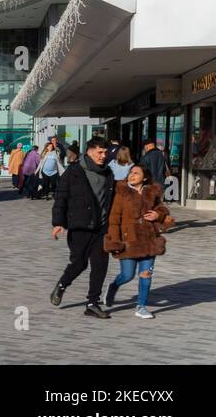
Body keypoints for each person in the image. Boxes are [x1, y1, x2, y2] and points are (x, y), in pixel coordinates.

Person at [49, 136, 115, 318]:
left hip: (101, 228)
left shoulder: (108, 173)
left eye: (105, 152)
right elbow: (60, 198)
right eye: (100, 152)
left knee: (100, 265)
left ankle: (92, 303)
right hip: (80, 226)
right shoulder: (73, 172)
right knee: (79, 263)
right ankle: (62, 285)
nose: (104, 156)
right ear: (89, 151)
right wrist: (58, 223)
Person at [103, 163, 174, 319]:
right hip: (129, 242)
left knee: (146, 274)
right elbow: (114, 219)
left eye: (136, 173)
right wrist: (115, 241)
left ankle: (141, 306)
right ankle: (113, 286)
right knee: (127, 275)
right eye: (131, 173)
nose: (132, 175)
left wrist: (158, 215)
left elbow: (162, 210)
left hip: (149, 240)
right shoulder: (121, 193)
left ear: (145, 177)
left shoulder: (152, 193)